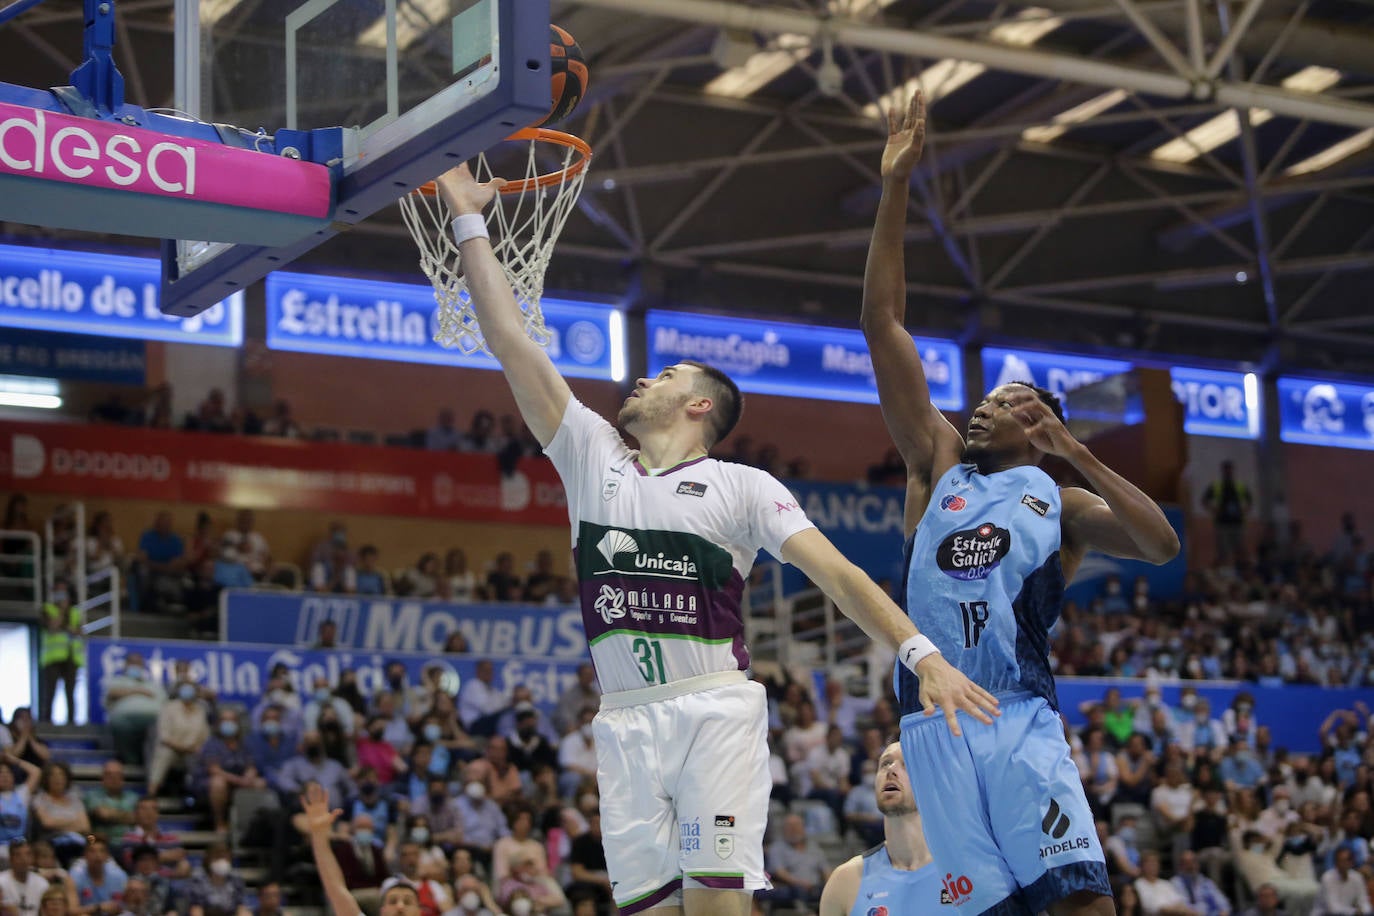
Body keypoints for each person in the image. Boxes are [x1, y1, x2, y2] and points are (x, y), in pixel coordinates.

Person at [431, 162, 996, 916]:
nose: (640, 382)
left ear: (698, 403)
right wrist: (469, 219)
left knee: (715, 906)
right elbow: (509, 339)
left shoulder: (744, 487)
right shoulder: (591, 455)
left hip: (711, 711)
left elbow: (840, 576)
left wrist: (920, 655)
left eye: (662, 374)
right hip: (624, 718)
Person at [862, 91, 1180, 916]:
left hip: (1018, 719)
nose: (982, 407)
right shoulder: (936, 462)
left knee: (1079, 904)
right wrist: (895, 187)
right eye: (985, 400)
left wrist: (1074, 455)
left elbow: (1160, 546)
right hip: (931, 721)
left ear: (1038, 422)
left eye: (1003, 402)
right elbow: (882, 321)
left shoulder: (1060, 499)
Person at [819, 743, 942, 916]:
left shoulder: (966, 869)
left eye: (907, 764)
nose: (891, 770)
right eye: (885, 763)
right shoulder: (845, 881)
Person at [301, 783, 422, 916]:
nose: (400, 906)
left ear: (419, 912)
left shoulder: (376, 851)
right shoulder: (348, 849)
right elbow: (336, 890)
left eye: (408, 902)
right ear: (382, 911)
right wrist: (318, 835)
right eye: (392, 902)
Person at [100, 655, 164, 766]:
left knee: (160, 730)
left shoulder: (153, 685)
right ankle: (131, 761)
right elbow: (112, 693)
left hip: (152, 718)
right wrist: (138, 691)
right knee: (118, 723)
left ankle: (150, 765)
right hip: (124, 718)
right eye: (132, 663)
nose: (135, 666)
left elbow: (164, 703)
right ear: (125, 665)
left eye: (138, 663)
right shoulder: (117, 681)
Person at [764, 814, 830, 913]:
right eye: (790, 826)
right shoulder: (777, 848)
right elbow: (779, 872)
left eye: (797, 825)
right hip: (790, 887)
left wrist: (830, 884)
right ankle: (806, 912)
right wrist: (800, 883)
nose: (793, 829)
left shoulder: (814, 848)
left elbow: (826, 870)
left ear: (803, 827)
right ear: (784, 829)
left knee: (829, 890)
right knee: (797, 890)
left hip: (815, 887)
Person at [38, 584, 83, 726]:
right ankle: (47, 720)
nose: (61, 595)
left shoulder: (75, 612)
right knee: (50, 691)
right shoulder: (47, 609)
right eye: (58, 592)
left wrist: (72, 629)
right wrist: (62, 612)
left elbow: (80, 631)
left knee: (70, 691)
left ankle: (71, 720)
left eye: (63, 592)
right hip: (53, 658)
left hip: (71, 657)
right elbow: (51, 627)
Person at [1202, 461, 1251, 566]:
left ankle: (1240, 569)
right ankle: (1224, 570)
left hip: (1237, 522)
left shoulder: (1239, 486)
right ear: (1223, 471)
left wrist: (1244, 511)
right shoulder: (1217, 485)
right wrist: (1213, 510)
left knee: (1240, 550)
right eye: (1226, 469)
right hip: (1222, 523)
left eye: (1230, 469)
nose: (1228, 471)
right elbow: (1204, 500)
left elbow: (1249, 500)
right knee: (1223, 550)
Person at [82, 762, 138, 843]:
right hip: (103, 843)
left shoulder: (133, 797)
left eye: (118, 774)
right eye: (109, 774)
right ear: (102, 778)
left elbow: (137, 818)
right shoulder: (92, 796)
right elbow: (103, 814)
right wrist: (126, 816)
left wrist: (111, 814)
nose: (114, 778)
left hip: (129, 842)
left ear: (123, 778)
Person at [1170, 850, 1230, 916]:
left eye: (1193, 861)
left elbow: (1222, 903)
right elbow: (1177, 905)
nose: (1191, 866)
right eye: (1186, 863)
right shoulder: (1175, 883)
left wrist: (1224, 912)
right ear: (1180, 866)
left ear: (1197, 864)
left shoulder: (1206, 882)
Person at [1315, 847, 1370, 915]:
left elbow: (1364, 902)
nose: (1343, 864)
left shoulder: (1357, 878)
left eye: (1346, 860)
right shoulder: (1327, 878)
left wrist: (1363, 911)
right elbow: (1332, 908)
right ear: (1336, 863)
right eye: (1340, 861)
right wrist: (1354, 912)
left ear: (1351, 862)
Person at [1, 840, 50, 916]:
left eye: (28, 854)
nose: (24, 859)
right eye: (18, 855)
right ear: (11, 859)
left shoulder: (42, 883)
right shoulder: (1, 882)